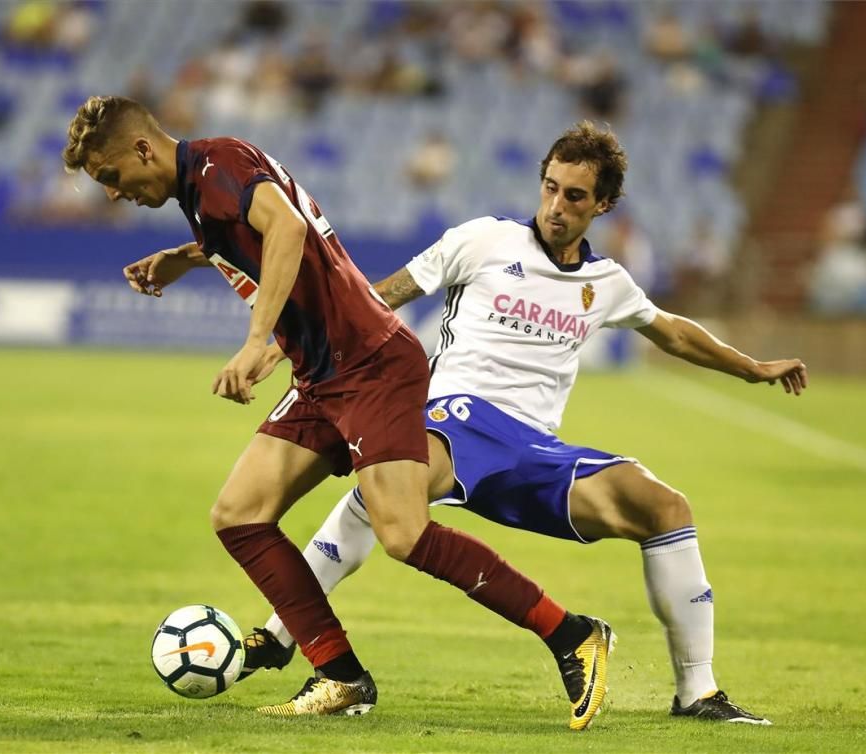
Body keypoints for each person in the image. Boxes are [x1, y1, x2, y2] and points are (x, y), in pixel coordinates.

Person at [62, 97, 614, 728]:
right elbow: (247, 230)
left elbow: (288, 230)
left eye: (109, 177)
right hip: (324, 371)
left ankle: (570, 634)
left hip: (371, 363)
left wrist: (253, 342)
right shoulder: (203, 184)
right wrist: (184, 258)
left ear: (141, 149)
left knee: (403, 535)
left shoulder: (217, 167)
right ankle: (340, 674)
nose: (112, 193)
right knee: (239, 515)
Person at [242, 121, 807, 725]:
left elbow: (670, 330)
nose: (556, 207)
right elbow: (382, 296)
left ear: (605, 205)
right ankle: (282, 634)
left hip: (530, 449)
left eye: (574, 197)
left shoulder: (606, 284)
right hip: (452, 414)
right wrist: (293, 338)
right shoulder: (483, 241)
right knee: (384, 495)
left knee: (665, 508)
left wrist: (749, 367)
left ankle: (699, 693)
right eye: (550, 187)